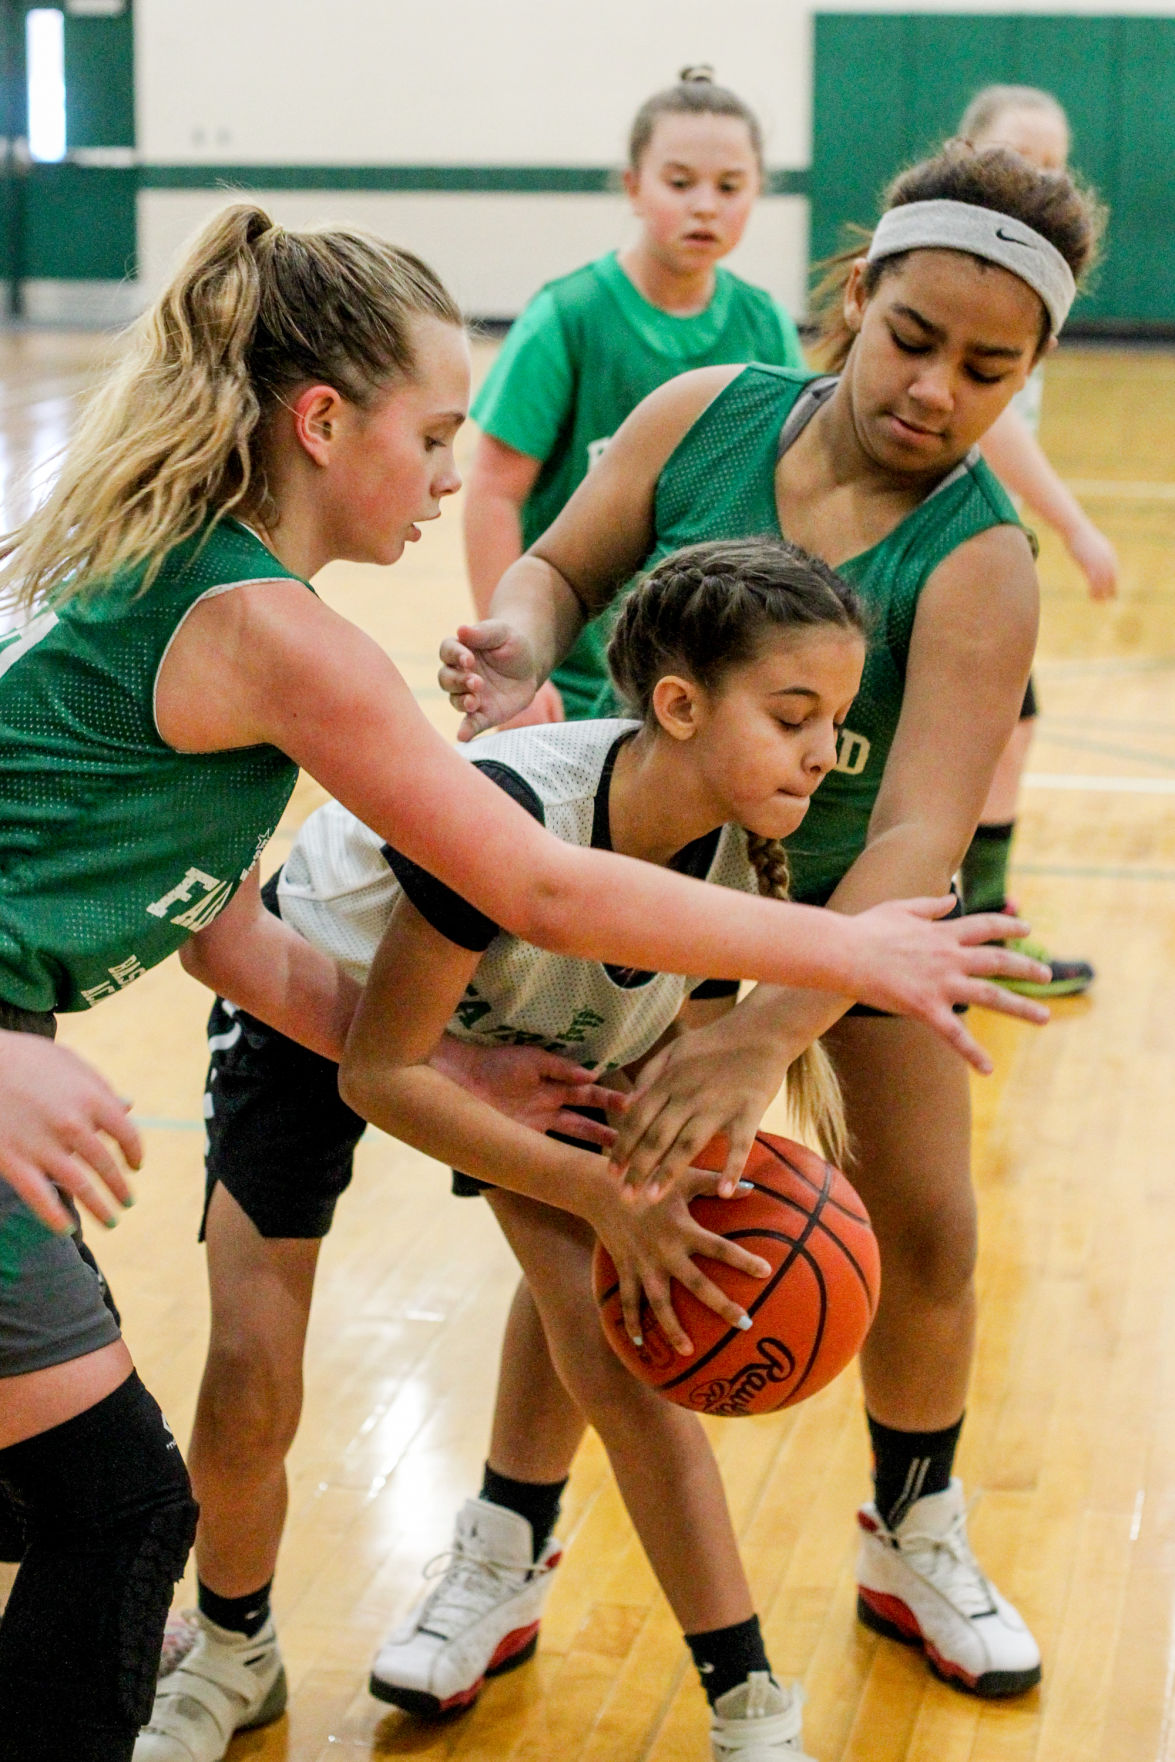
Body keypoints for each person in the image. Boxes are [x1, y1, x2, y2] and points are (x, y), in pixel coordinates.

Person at [0, 204, 1039, 1762]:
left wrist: (457, 1071)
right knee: (122, 1514)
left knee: (83, 1501)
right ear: (321, 422)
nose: (453, 477)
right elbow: (533, 886)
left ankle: (701, 1666)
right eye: (432, 437)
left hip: (307, 1017)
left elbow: (217, 927)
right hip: (161, 1020)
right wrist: (848, 946)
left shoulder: (203, 585)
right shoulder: (280, 637)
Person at [438, 138, 1103, 1716]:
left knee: (926, 1227)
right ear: (855, 294)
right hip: (648, 889)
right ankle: (502, 1542)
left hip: (849, 913)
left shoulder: (979, 561)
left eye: (987, 371)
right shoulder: (702, 414)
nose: (935, 389)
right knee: (594, 1212)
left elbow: (920, 837)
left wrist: (764, 1031)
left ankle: (911, 1528)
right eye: (912, 337)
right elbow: (558, 565)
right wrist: (515, 635)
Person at [142, 537, 868, 1762]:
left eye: (833, 725)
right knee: (256, 1363)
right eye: (792, 716)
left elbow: (674, 1070)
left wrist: (666, 1198)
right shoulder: (514, 817)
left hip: (518, 1032)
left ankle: (750, 1706)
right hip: (322, 1002)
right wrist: (595, 1188)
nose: (820, 752)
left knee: (618, 1348)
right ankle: (231, 1647)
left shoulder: (732, 867)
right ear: (678, 706)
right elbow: (380, 1071)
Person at [464, 65, 805, 725]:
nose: (704, 205)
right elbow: (493, 492)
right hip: (571, 682)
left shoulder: (764, 326)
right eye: (679, 183)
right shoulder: (568, 317)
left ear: (757, 191)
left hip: (711, 688)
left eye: (729, 186)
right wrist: (512, 655)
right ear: (633, 186)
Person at [955, 84, 1118, 996]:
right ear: (967, 156)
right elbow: (991, 427)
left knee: (1006, 728)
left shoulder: (1028, 275)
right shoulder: (972, 274)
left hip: (976, 540)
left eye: (1055, 165)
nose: (1040, 179)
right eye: (1019, 158)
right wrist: (1074, 524)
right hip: (935, 537)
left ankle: (976, 918)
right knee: (983, 734)